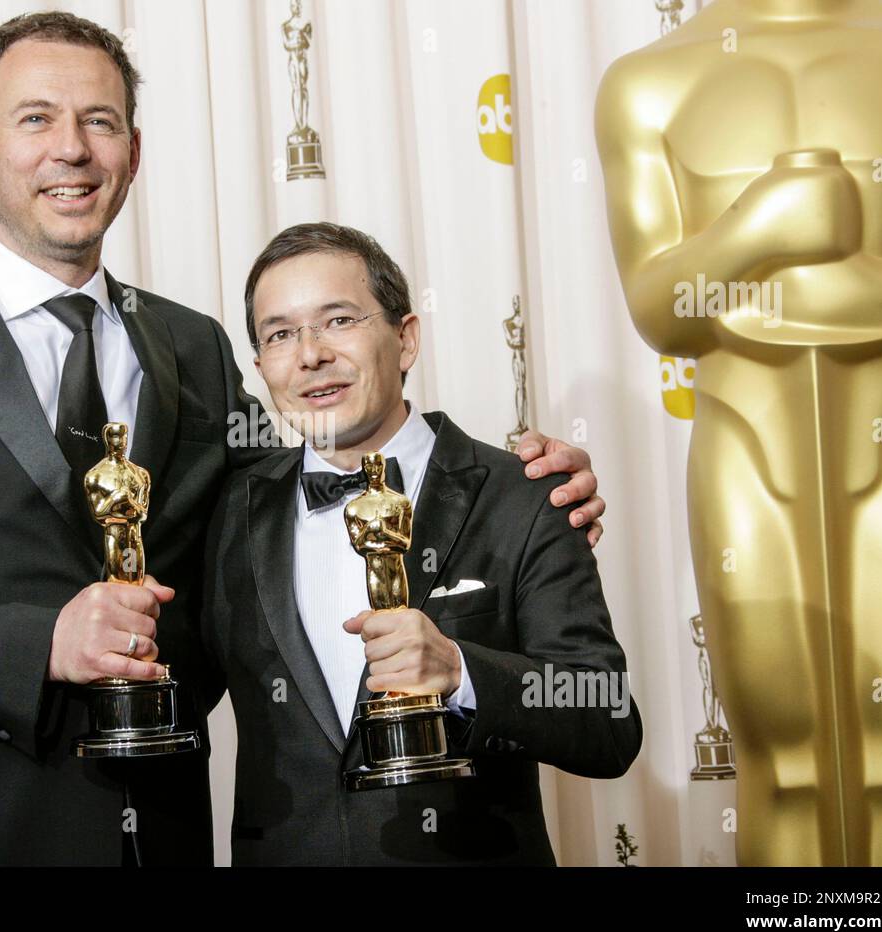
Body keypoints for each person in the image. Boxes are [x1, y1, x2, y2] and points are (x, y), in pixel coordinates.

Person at [0, 11, 604, 866]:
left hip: (155, 828)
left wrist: (513, 486)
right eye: (36, 118)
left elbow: (297, 494)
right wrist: (42, 645)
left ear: (133, 152)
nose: (72, 149)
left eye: (99, 121)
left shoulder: (190, 344)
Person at [201, 222, 641, 865]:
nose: (311, 354)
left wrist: (462, 673)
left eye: (339, 320)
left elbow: (607, 721)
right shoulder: (227, 514)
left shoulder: (525, 496)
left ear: (405, 339)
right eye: (280, 334)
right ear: (261, 364)